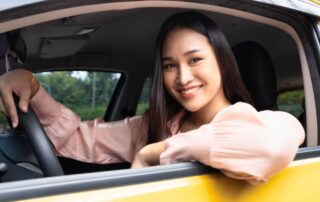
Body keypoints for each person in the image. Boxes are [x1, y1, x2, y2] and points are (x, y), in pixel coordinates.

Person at [0, 12, 304, 184]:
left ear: (222, 63)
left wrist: (153, 154)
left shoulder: (259, 123)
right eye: (170, 65)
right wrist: (34, 88)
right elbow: (80, 139)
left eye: (195, 60)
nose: (183, 78)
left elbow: (269, 144)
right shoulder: (152, 124)